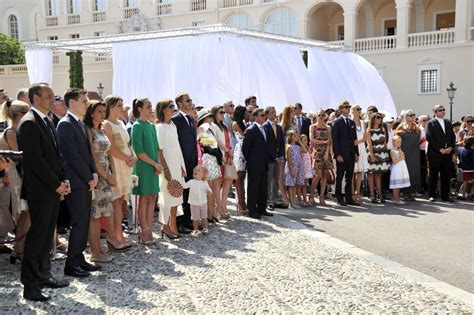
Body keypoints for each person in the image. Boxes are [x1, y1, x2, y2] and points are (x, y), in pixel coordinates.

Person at [17, 83, 70, 301]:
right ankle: (30, 285)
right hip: (40, 190)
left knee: (48, 235)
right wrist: (55, 184)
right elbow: (35, 161)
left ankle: (44, 274)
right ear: (35, 98)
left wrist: (62, 180)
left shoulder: (46, 120)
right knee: (37, 237)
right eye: (48, 96)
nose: (53, 99)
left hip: (52, 188)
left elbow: (55, 156)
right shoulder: (29, 123)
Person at [57, 88, 99, 278]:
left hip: (85, 180)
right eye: (83, 101)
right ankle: (71, 264)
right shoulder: (65, 125)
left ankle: (79, 258)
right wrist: (88, 177)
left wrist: (94, 173)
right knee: (79, 222)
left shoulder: (79, 123)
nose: (86, 104)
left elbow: (88, 153)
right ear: (72, 103)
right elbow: (71, 156)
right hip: (76, 181)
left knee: (84, 221)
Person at [84, 100, 129, 262]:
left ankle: (110, 240)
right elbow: (93, 157)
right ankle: (95, 251)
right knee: (95, 214)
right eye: (99, 111)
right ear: (91, 113)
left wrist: (114, 174)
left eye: (104, 111)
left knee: (108, 210)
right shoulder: (88, 131)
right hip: (97, 175)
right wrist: (105, 175)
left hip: (108, 173)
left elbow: (109, 153)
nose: (102, 114)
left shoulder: (102, 128)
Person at [103, 96, 136, 248]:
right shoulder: (107, 124)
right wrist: (126, 158)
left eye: (122, 105)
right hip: (116, 164)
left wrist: (133, 156)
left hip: (125, 164)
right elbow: (110, 148)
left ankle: (119, 234)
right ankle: (115, 236)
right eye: (119, 105)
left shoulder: (121, 122)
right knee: (115, 201)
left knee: (121, 200)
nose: (122, 108)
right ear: (110, 107)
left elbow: (127, 143)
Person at [0, 99, 30, 264]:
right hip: (16, 175)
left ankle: (20, 249)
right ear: (19, 115)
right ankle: (18, 250)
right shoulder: (11, 132)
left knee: (25, 213)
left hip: (19, 173)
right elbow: (19, 157)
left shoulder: (15, 130)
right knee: (22, 212)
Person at [130, 98, 161, 244]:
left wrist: (159, 164)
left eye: (151, 106)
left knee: (153, 197)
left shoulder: (151, 125)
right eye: (148, 106)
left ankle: (149, 228)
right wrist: (154, 164)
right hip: (144, 166)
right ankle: (144, 230)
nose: (150, 108)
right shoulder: (137, 126)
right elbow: (139, 151)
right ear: (140, 109)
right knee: (144, 198)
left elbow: (156, 147)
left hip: (154, 165)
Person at [155, 99, 186, 239]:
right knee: (166, 197)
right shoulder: (160, 127)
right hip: (167, 166)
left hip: (176, 165)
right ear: (162, 110)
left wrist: (181, 166)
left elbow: (177, 147)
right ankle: (165, 225)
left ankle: (173, 225)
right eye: (171, 106)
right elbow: (159, 150)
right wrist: (165, 169)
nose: (174, 108)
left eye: (174, 106)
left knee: (176, 196)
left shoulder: (173, 125)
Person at [172, 93, 197, 234]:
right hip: (182, 161)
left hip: (192, 161)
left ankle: (187, 220)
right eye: (188, 100)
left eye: (191, 99)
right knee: (181, 192)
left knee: (189, 191)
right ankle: (179, 222)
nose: (190, 102)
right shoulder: (176, 120)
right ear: (180, 104)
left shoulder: (190, 119)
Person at [242, 108, 272, 219]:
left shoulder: (264, 129)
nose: (265, 117)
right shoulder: (251, 130)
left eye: (265, 115)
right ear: (255, 117)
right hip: (254, 164)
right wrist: (252, 161)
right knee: (253, 187)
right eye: (262, 115)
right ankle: (252, 210)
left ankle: (261, 208)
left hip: (264, 163)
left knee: (263, 187)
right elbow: (245, 149)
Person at [331, 101, 359, 206]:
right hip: (341, 154)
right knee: (340, 176)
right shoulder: (336, 122)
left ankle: (348, 198)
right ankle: (339, 197)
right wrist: (337, 154)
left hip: (351, 154)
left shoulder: (351, 123)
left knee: (350, 176)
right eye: (346, 107)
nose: (348, 109)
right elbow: (335, 140)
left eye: (349, 107)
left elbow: (354, 139)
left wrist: (356, 153)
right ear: (341, 109)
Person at [426, 105, 456, 202]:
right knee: (433, 175)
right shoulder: (431, 123)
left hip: (447, 153)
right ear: (435, 112)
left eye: (443, 110)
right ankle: (432, 195)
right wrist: (440, 149)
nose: (442, 111)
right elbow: (429, 137)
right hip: (435, 153)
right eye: (440, 110)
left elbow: (452, 136)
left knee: (446, 175)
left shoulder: (448, 122)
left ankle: (445, 195)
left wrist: (451, 147)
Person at [209, 105, 233, 219]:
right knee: (218, 183)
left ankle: (223, 204)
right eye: (221, 112)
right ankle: (218, 206)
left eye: (224, 112)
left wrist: (231, 151)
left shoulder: (225, 126)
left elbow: (228, 141)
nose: (223, 114)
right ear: (215, 113)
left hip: (228, 156)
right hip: (221, 156)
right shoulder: (213, 126)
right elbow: (218, 142)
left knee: (228, 180)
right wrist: (228, 151)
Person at [197, 110, 221, 221]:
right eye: (208, 116)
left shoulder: (210, 129)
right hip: (207, 159)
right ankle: (207, 214)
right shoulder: (201, 130)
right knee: (208, 189)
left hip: (213, 160)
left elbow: (214, 145)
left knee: (212, 189)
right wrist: (217, 153)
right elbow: (206, 146)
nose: (211, 118)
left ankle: (211, 212)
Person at [263, 106, 285, 210]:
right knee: (268, 180)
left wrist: (281, 156)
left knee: (276, 179)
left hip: (278, 159)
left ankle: (276, 199)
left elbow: (281, 143)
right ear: (267, 114)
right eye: (271, 112)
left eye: (275, 111)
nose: (274, 113)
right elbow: (266, 145)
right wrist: (274, 156)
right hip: (269, 158)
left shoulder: (279, 127)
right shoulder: (265, 127)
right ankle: (268, 201)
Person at [395, 110, 421, 201]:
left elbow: (419, 138)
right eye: (410, 115)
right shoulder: (401, 126)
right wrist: (398, 151)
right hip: (405, 152)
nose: (412, 116)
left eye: (413, 115)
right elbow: (396, 139)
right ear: (405, 117)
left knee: (414, 172)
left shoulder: (416, 127)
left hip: (414, 152)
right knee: (405, 172)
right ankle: (405, 192)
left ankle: (410, 192)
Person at [309, 109, 333, 206]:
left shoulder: (328, 127)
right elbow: (312, 140)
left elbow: (329, 141)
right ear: (317, 116)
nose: (321, 116)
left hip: (326, 153)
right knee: (318, 175)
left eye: (323, 115)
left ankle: (322, 196)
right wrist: (323, 142)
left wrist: (327, 152)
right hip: (317, 152)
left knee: (325, 176)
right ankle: (311, 195)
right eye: (320, 115)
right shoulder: (313, 127)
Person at [366, 112, 390, 203]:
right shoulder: (369, 130)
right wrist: (372, 155)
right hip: (373, 153)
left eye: (380, 117)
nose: (380, 119)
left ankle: (379, 194)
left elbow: (385, 143)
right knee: (371, 174)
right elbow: (369, 144)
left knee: (379, 174)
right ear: (373, 119)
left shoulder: (383, 129)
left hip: (381, 153)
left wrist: (384, 154)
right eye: (378, 117)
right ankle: (372, 194)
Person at [183, 165, 212, 237]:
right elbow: (184, 186)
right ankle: (196, 229)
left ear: (203, 175)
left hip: (203, 203)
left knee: (204, 217)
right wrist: (182, 177)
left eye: (198, 170)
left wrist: (209, 192)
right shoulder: (191, 182)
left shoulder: (205, 182)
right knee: (195, 218)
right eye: (195, 170)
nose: (195, 171)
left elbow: (209, 189)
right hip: (194, 203)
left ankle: (205, 228)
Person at [232, 105, 248, 214]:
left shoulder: (244, 123)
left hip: (245, 151)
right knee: (239, 179)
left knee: (243, 178)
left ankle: (242, 202)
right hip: (240, 152)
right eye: (246, 112)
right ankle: (241, 204)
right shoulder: (235, 123)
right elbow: (243, 136)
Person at [284, 130, 305, 208]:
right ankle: (291, 202)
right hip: (291, 167)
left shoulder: (298, 147)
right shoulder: (289, 147)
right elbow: (289, 159)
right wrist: (292, 169)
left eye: (297, 136)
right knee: (291, 185)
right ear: (291, 137)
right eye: (295, 136)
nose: (297, 137)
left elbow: (305, 151)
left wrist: (299, 141)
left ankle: (294, 201)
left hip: (298, 167)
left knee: (294, 185)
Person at [351, 105, 367, 203]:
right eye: (357, 109)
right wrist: (356, 142)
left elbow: (365, 138)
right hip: (353, 149)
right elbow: (351, 140)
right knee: (352, 171)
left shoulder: (363, 123)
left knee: (359, 171)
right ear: (352, 111)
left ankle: (357, 192)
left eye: (360, 109)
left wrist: (358, 141)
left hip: (361, 148)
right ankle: (352, 193)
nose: (359, 111)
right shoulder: (349, 122)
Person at [390, 135, 411, 204]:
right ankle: (396, 199)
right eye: (398, 142)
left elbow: (404, 157)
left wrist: (402, 156)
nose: (399, 143)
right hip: (397, 169)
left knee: (398, 185)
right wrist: (401, 158)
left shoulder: (399, 149)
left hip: (401, 167)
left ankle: (398, 198)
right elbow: (394, 161)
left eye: (400, 142)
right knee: (396, 185)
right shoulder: (393, 151)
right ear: (393, 142)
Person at [418, 115, 429, 193]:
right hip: (420, 151)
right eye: (423, 120)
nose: (425, 122)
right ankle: (421, 185)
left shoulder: (429, 128)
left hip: (428, 151)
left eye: (426, 120)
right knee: (421, 169)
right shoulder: (419, 129)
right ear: (420, 121)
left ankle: (425, 184)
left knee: (426, 169)